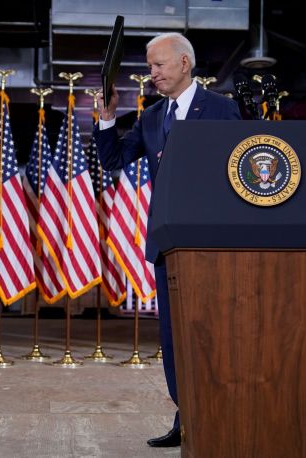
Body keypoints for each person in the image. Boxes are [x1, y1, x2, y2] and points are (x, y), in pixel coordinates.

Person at [95, 32, 242, 448]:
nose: (152, 73)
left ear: (184, 64)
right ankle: (188, 415)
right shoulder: (151, 117)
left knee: (213, 332)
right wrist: (107, 118)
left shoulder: (223, 110)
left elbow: (241, 173)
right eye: (149, 66)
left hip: (213, 247)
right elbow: (112, 161)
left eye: (158, 65)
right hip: (168, 245)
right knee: (173, 337)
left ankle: (219, 412)